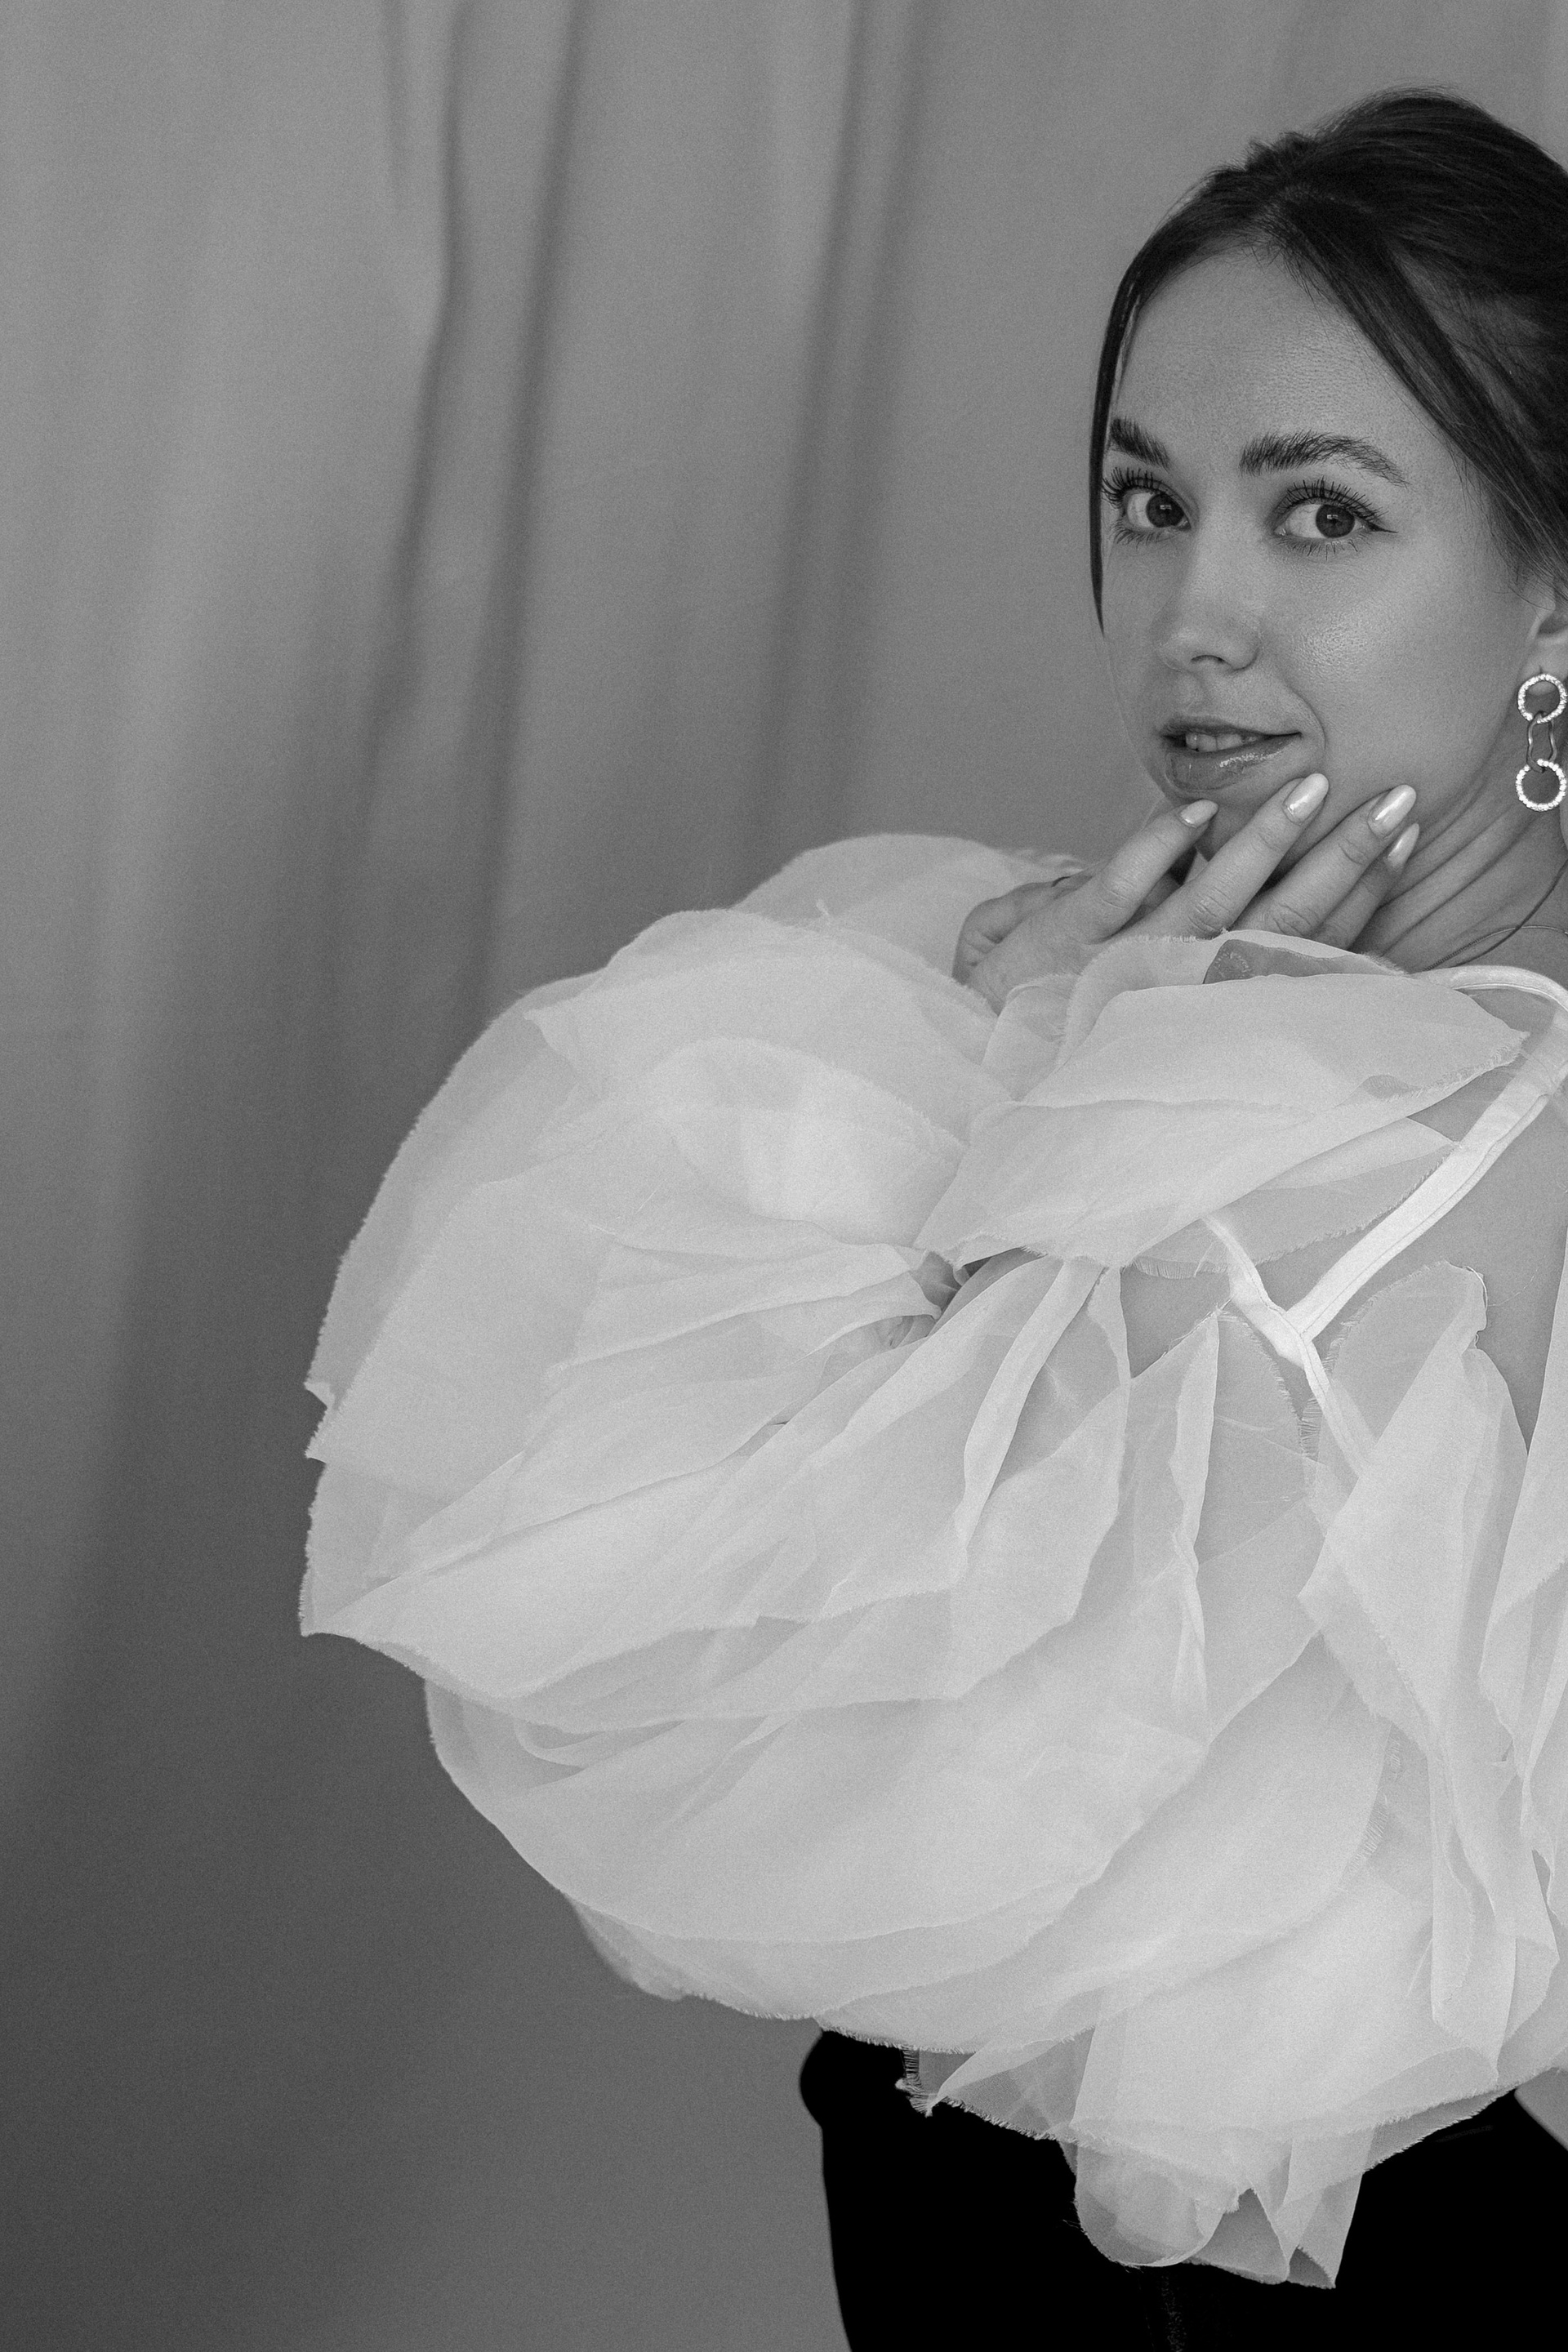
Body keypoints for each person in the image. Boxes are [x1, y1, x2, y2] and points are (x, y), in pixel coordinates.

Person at [301, 89, 1568, 2348]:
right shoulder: (1072, 983)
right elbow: (710, 1625)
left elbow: (830, 1677)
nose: (1198, 617)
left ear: (1554, 579)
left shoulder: (1484, 1129)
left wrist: (1072, 1103)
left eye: (1322, 514)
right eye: (1150, 501)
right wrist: (1057, 1046)